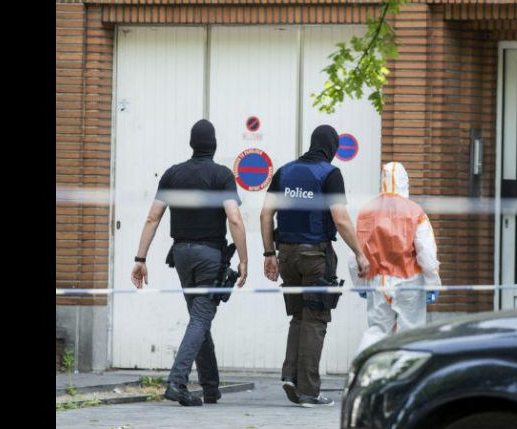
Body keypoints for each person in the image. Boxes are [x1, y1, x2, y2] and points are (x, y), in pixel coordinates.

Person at [130, 119, 249, 407]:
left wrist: (140, 258)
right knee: (201, 318)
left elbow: (152, 217)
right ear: (214, 145)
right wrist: (245, 259)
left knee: (200, 319)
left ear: (192, 144)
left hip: (181, 255)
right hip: (210, 255)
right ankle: (177, 382)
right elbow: (234, 218)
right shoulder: (221, 175)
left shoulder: (173, 174)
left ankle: (210, 387)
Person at [260, 124, 370, 408]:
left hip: (286, 256)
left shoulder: (284, 171)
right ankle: (309, 391)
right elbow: (341, 219)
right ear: (331, 148)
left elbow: (265, 213)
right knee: (315, 320)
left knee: (298, 316)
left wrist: (269, 253)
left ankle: (291, 377)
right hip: (315, 257)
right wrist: (359, 252)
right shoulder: (330, 174)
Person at [348, 162, 442, 355]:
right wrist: (433, 283)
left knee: (376, 332)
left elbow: (355, 253)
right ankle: (406, 378)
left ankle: (366, 374)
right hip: (410, 281)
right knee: (411, 334)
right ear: (405, 182)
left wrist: (360, 284)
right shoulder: (415, 212)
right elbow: (427, 253)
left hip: (378, 281)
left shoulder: (367, 211)